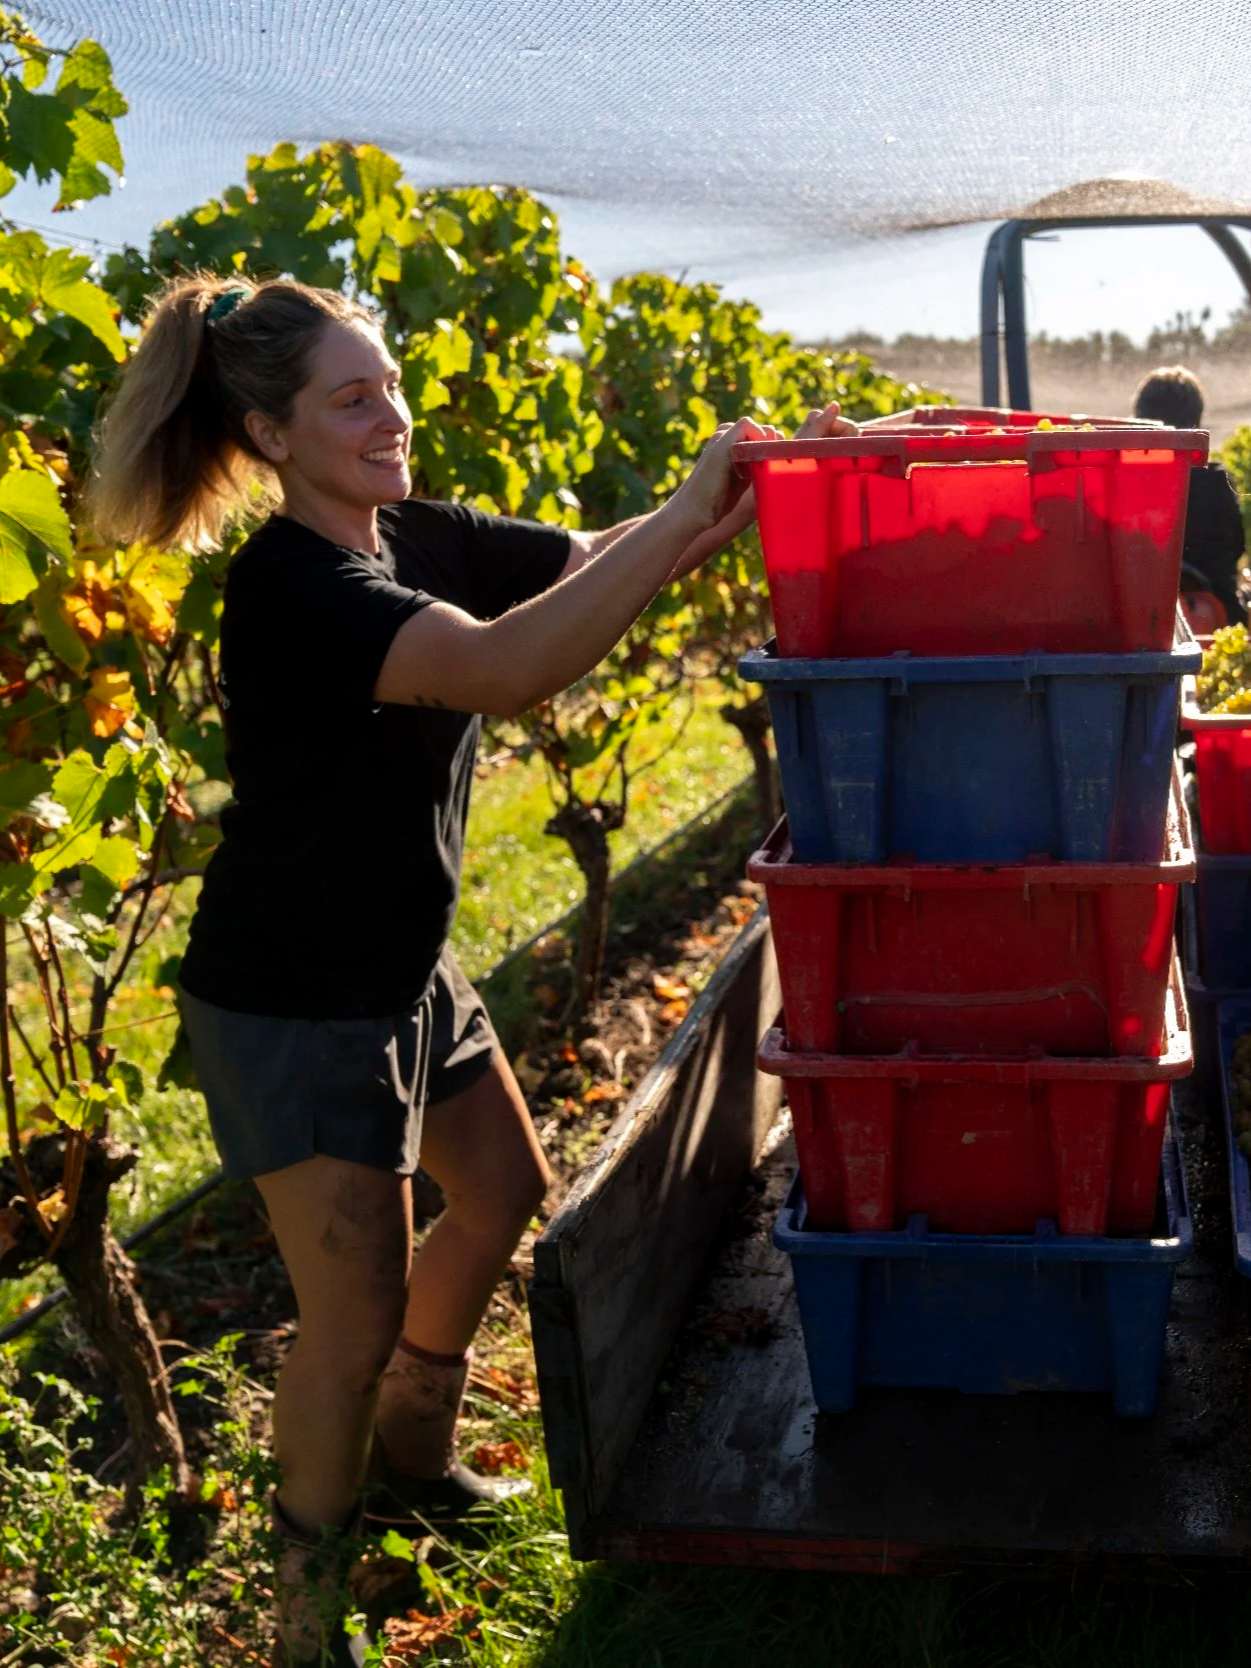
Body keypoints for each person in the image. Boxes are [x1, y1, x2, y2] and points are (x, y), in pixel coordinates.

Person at [86, 273, 854, 1665]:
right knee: (351, 1310)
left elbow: (578, 563)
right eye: (349, 398)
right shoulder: (293, 591)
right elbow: (506, 670)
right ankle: (304, 1606)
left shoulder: (403, 532)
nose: (389, 414)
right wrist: (684, 519)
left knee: (501, 1186)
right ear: (268, 435)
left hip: (401, 963)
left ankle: (414, 1460)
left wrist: (741, 488)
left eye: (386, 384)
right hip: (295, 994)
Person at [1132, 365, 1246, 623]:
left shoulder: (1129, 482)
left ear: (1139, 420)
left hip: (1143, 622)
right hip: (1219, 619)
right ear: (1198, 420)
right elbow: (1237, 547)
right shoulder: (1217, 482)